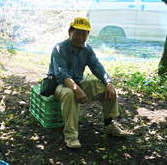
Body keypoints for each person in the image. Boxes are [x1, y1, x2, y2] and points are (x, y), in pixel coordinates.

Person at [47, 17, 131, 149]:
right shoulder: (59, 48)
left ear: (87, 36)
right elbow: (61, 74)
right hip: (60, 85)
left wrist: (108, 82)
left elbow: (97, 67)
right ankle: (71, 136)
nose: (80, 37)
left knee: (107, 88)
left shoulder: (87, 49)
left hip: (79, 83)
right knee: (69, 94)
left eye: (84, 34)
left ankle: (109, 124)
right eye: (77, 33)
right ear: (70, 32)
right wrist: (77, 89)